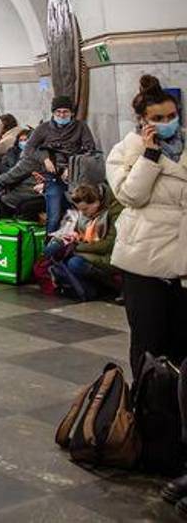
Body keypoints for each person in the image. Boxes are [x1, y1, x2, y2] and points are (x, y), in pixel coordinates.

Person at [106, 75, 187, 375]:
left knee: (182, 343)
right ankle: (147, 399)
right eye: (158, 118)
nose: (167, 123)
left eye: (172, 116)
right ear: (142, 120)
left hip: (183, 259)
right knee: (149, 343)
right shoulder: (125, 151)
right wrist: (150, 156)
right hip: (145, 260)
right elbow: (130, 196)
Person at [3, 95, 97, 231]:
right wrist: (45, 159)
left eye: (65, 112)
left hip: (74, 174)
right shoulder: (43, 128)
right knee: (54, 212)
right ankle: (50, 238)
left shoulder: (81, 127)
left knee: (80, 208)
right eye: (58, 112)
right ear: (53, 113)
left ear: (71, 113)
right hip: (52, 175)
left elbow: (90, 150)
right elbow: (29, 149)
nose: (62, 115)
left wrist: (72, 166)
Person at [41, 183, 122, 301]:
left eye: (85, 209)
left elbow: (107, 245)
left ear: (96, 202)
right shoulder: (89, 210)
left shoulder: (115, 211)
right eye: (79, 210)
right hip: (88, 249)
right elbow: (78, 230)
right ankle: (87, 290)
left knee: (75, 263)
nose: (83, 213)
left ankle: (100, 288)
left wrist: (76, 247)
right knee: (52, 251)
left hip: (107, 256)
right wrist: (71, 237)